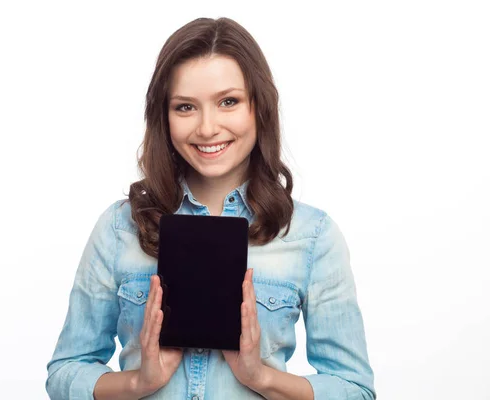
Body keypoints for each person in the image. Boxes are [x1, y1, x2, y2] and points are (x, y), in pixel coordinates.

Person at [45, 17, 376, 400]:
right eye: (185, 107)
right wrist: (139, 382)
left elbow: (354, 389)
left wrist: (261, 377)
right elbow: (65, 371)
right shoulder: (120, 228)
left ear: (259, 107)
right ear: (163, 116)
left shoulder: (311, 234)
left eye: (228, 102)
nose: (207, 128)